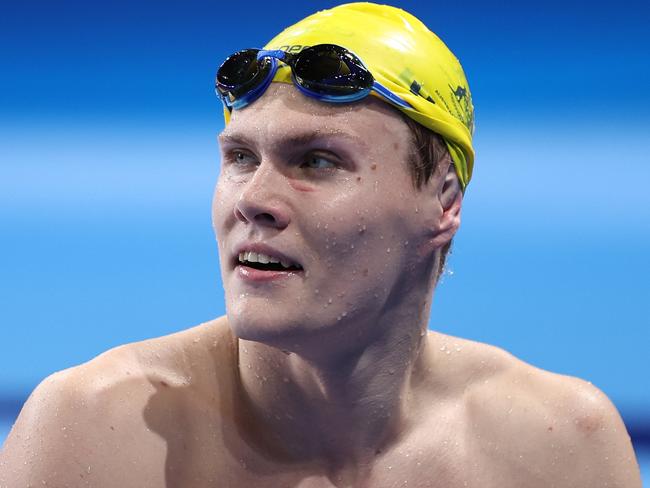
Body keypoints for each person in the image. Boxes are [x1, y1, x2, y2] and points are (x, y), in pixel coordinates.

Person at [0, 3, 642, 487]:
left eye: (316, 161)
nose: (253, 198)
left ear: (443, 201)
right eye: (240, 157)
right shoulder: (96, 436)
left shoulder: (560, 450)